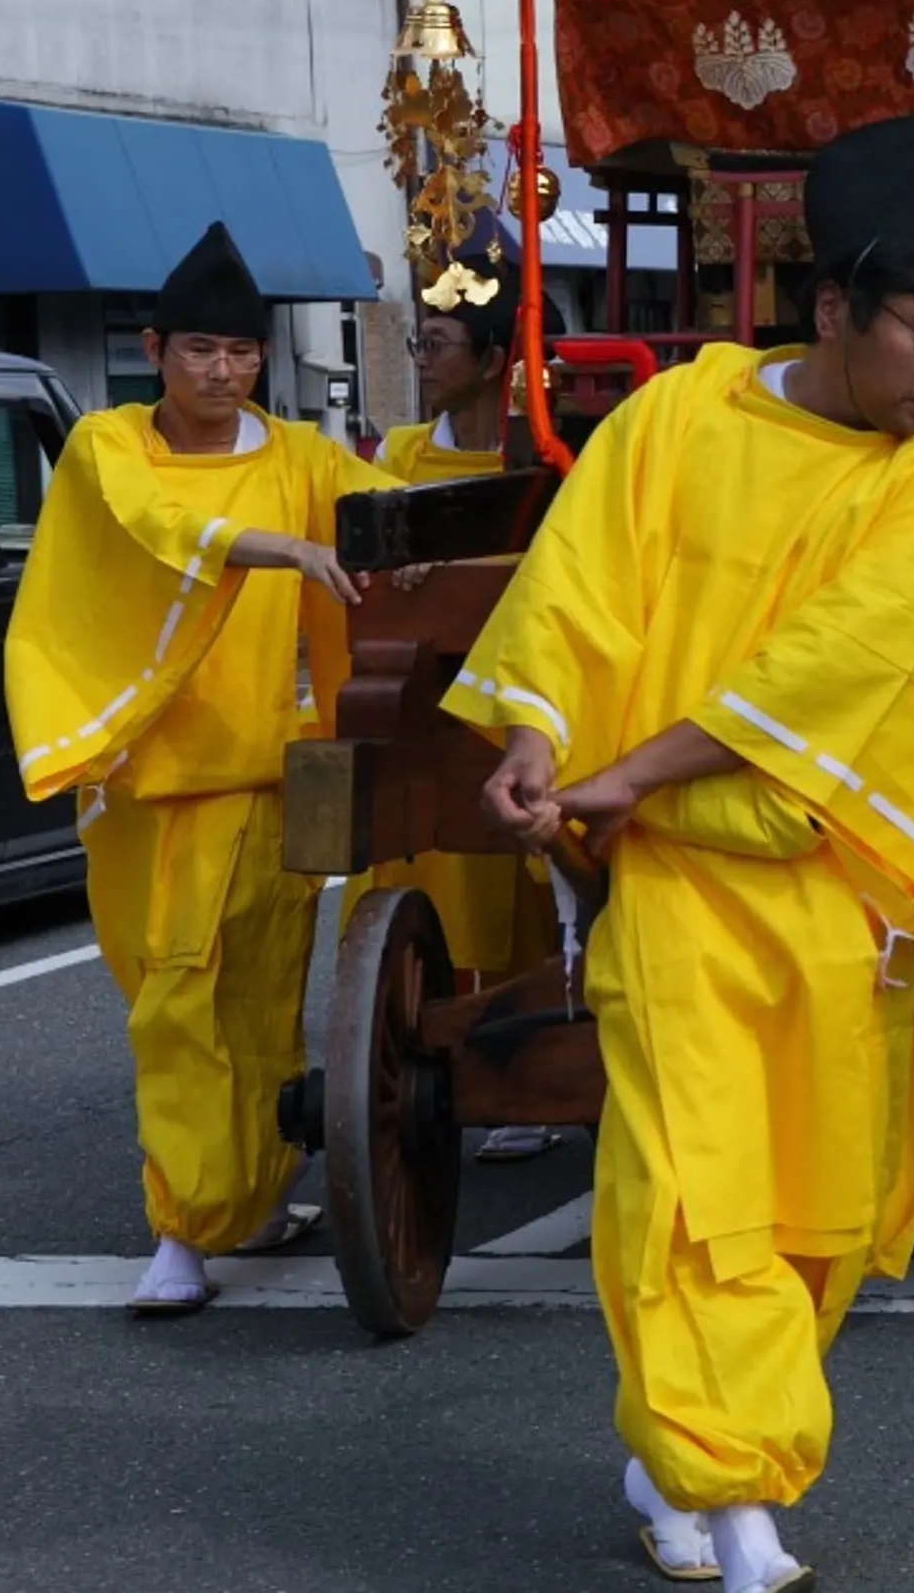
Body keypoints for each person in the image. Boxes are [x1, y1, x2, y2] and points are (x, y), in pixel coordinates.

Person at [455, 116, 914, 1592]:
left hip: (836, 885)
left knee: (821, 1204)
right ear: (831, 312)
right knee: (693, 1182)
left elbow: (821, 672)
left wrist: (613, 772)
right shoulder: (677, 420)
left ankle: (683, 1444)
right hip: (672, 873)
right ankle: (737, 1501)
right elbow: (577, 592)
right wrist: (538, 738)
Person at [3, 222, 397, 1316]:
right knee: (173, 1001)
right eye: (199, 352)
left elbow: (385, 505)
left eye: (242, 353)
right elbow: (150, 522)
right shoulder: (108, 449)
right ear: (152, 349)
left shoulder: (304, 460)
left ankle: (243, 1201)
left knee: (265, 999)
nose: (222, 373)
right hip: (154, 785)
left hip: (273, 773)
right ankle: (186, 1219)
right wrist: (266, 545)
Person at [362, 221, 564, 1162]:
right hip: (428, 706)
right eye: (420, 339)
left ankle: (529, 1056)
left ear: (492, 363)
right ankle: (423, 1047)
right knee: (427, 880)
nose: (423, 359)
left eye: (437, 343)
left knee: (523, 890)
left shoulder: (551, 460)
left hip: (518, 702)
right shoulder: (397, 456)